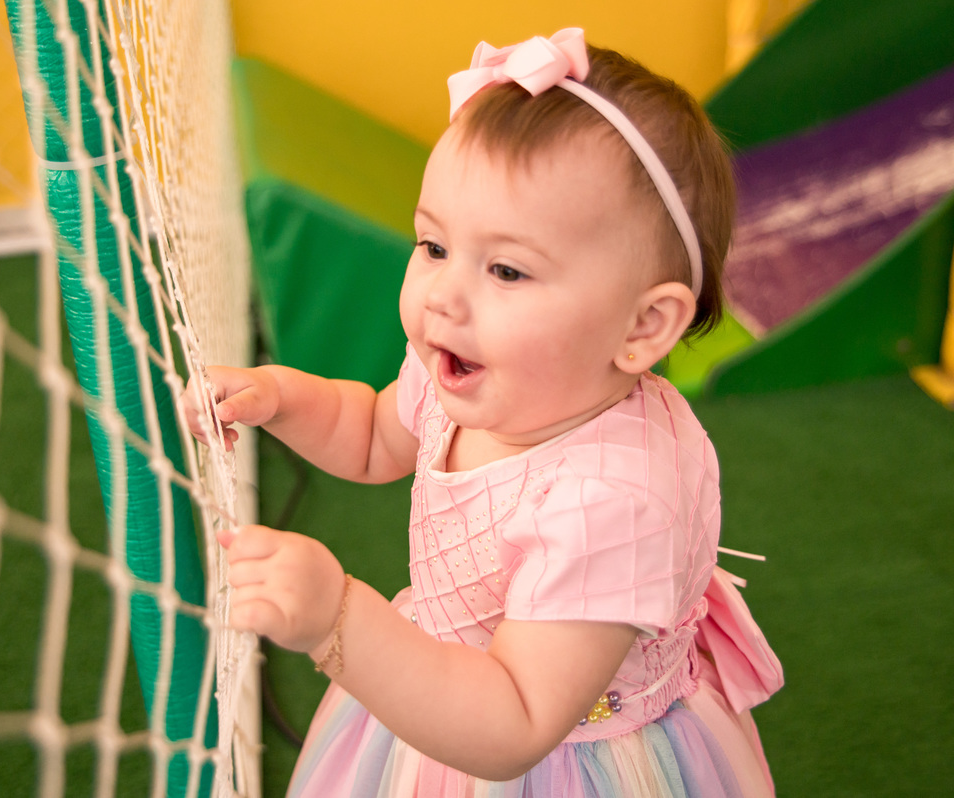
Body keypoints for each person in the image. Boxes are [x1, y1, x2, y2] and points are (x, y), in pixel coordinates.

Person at [186, 28, 784, 797]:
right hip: (436, 688)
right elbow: (372, 434)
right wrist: (279, 396)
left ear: (640, 328)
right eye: (432, 246)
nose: (443, 295)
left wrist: (338, 620)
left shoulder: (612, 503)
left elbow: (514, 726)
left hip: (565, 757)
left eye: (506, 268)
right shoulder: (473, 372)